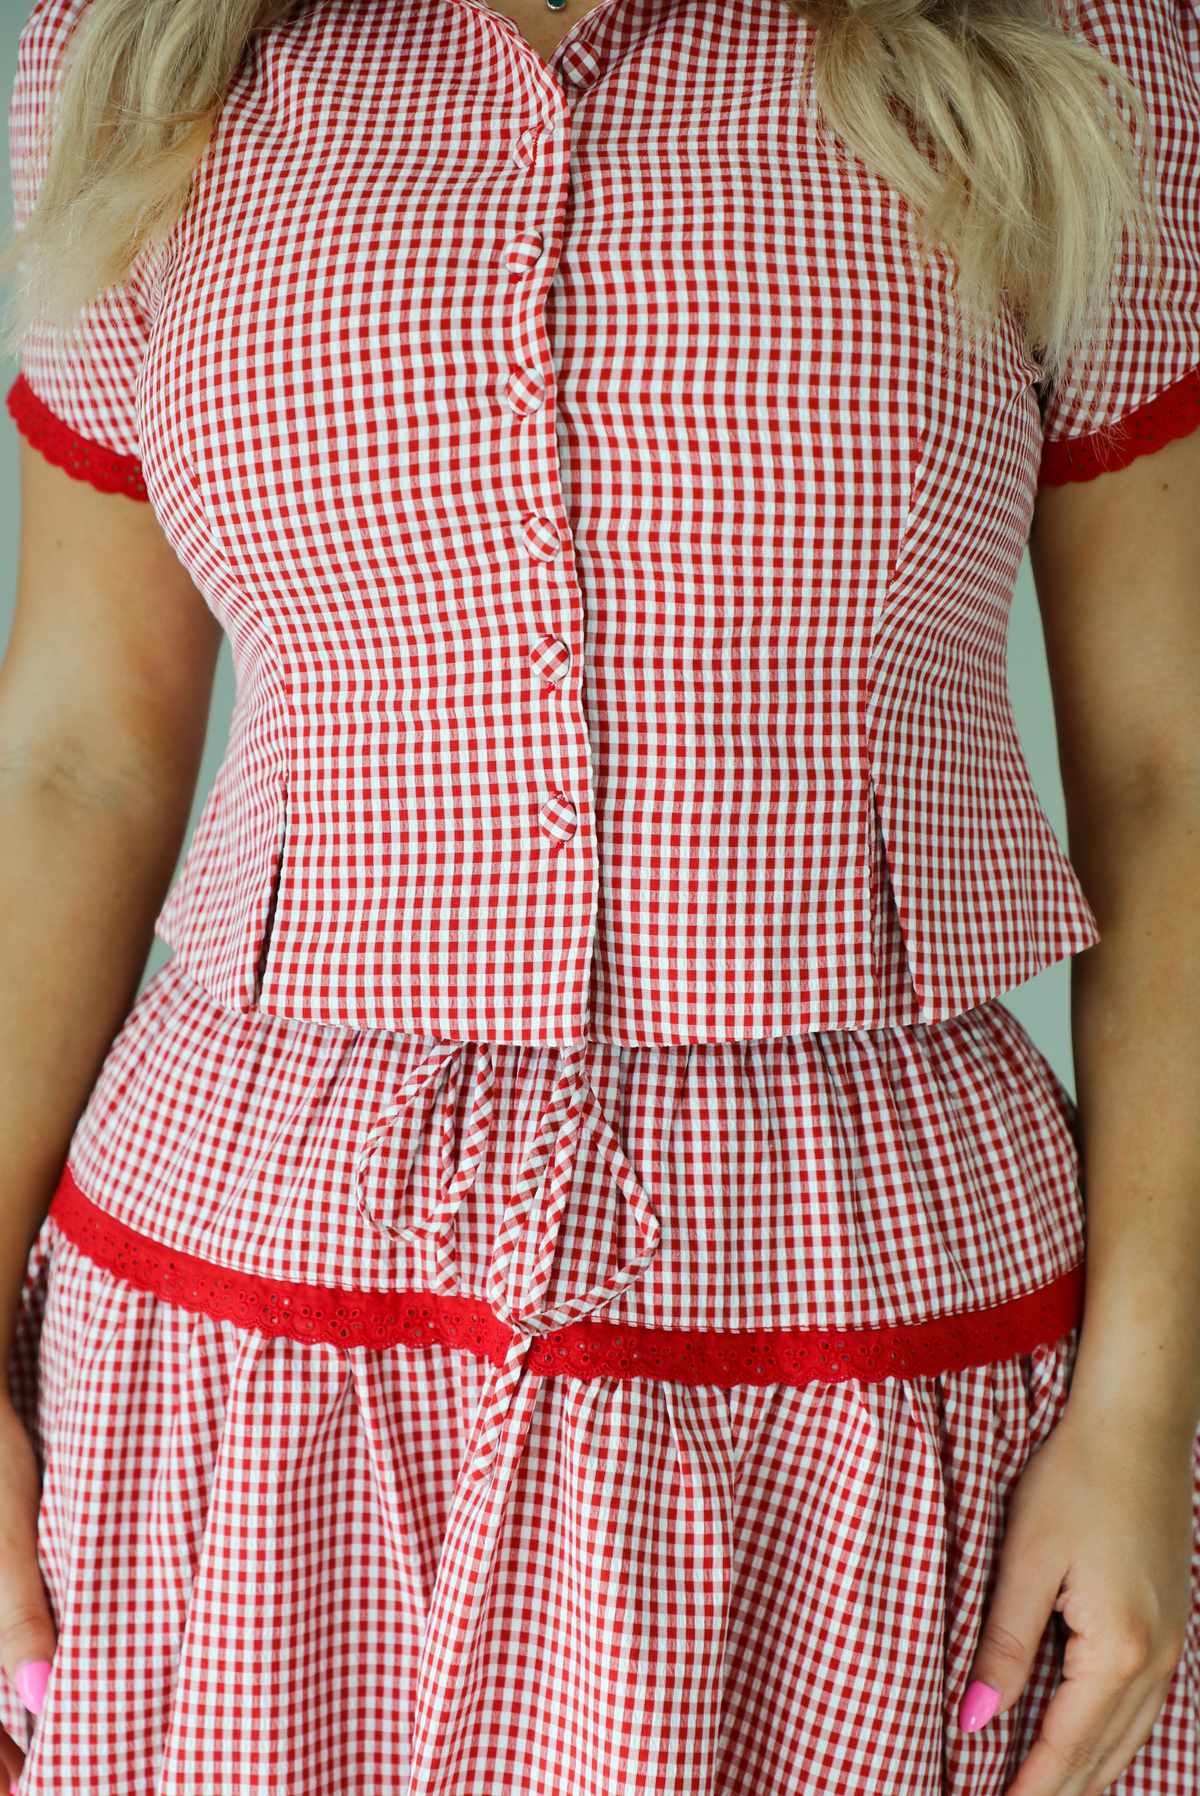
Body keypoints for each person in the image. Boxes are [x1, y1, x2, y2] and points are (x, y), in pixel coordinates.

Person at [0, 0, 1198, 1785]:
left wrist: (1144, 1410)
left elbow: (1167, 777)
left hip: (872, 1337)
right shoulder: (132, 45)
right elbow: (80, 756)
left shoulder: (1081, 41)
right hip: (240, 1341)